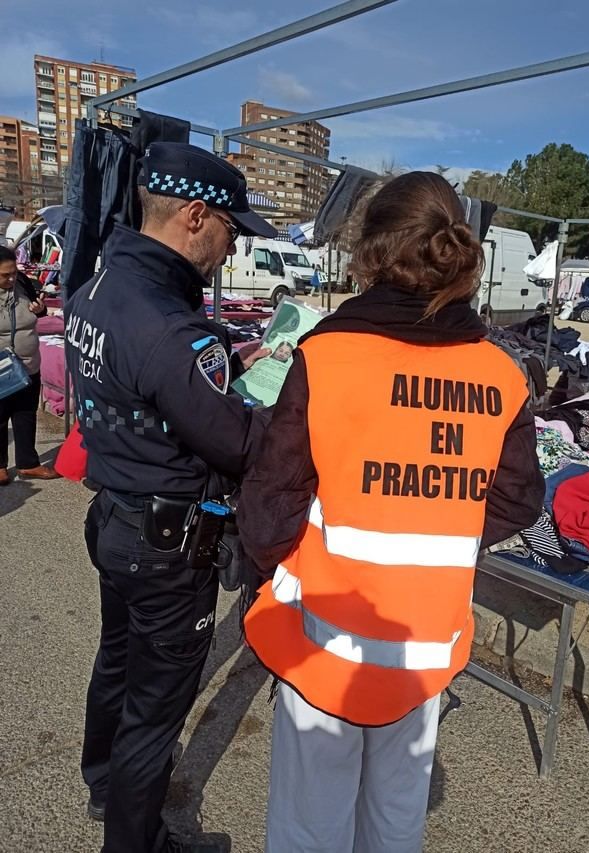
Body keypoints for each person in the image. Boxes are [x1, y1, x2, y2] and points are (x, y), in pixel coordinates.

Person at [239, 171, 545, 853]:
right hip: (424, 648)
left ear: (371, 251)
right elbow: (520, 498)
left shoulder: (329, 355)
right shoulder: (501, 372)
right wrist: (439, 514)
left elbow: (269, 507)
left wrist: (273, 565)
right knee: (395, 824)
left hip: (326, 642)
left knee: (310, 829)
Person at [64, 142, 277, 853]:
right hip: (165, 546)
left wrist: (214, 358)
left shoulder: (98, 286)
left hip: (116, 519)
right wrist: (284, 406)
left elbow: (149, 382)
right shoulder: (170, 327)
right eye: (229, 228)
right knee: (154, 715)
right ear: (194, 217)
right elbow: (239, 443)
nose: (231, 245)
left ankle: (103, 781)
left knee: (115, 663)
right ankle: (136, 841)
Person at [0, 245, 60, 485]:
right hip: (2, 369)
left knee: (26, 414)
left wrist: (41, 309)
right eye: (5, 275)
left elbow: (41, 311)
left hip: (28, 366)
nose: (11, 278)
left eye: (13, 272)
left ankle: (28, 464)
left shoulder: (23, 283)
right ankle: (0, 466)